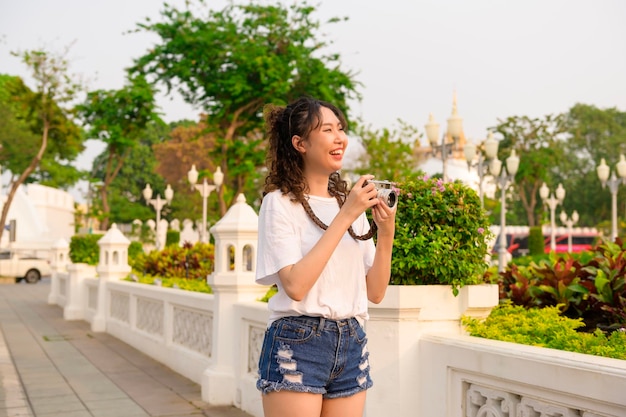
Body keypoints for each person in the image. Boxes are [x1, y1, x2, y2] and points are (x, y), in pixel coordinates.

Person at [255, 96, 397, 417]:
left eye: (341, 129)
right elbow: (295, 285)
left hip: (351, 341)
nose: (340, 138)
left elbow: (374, 292)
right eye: (328, 130)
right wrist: (346, 214)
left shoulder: (350, 204)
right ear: (300, 143)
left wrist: (385, 231)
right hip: (297, 340)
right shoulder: (279, 204)